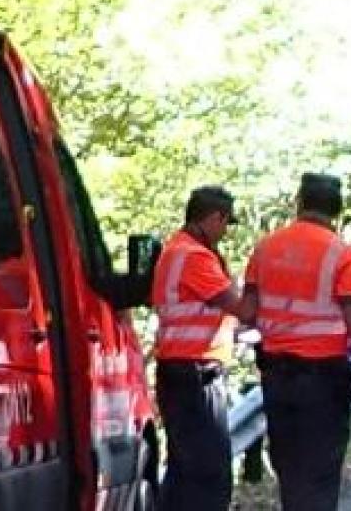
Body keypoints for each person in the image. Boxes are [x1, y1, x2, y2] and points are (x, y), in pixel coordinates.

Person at [242, 174, 351, 511]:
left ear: (299, 202)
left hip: (277, 375)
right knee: (320, 469)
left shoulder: (266, 248)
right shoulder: (343, 255)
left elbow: (248, 312)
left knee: (289, 466)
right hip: (323, 378)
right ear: (336, 209)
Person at [151, 186, 256, 511]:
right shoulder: (194, 256)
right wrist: (257, 286)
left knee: (185, 469)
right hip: (196, 374)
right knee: (209, 471)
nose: (225, 232)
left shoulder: (175, 249)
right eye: (225, 223)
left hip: (178, 371)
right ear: (213, 217)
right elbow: (240, 307)